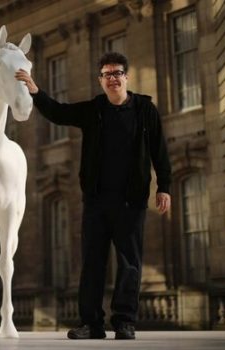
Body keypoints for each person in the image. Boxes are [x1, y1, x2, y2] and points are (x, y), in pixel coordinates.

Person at [15, 52, 171, 340]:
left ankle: (124, 322)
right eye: (106, 74)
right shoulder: (94, 110)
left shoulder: (145, 110)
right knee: (92, 264)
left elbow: (159, 151)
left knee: (129, 264)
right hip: (97, 201)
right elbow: (59, 113)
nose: (112, 78)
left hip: (131, 201)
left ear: (126, 76)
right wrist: (36, 91)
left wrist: (164, 187)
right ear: (100, 80)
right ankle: (92, 324)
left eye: (117, 73)